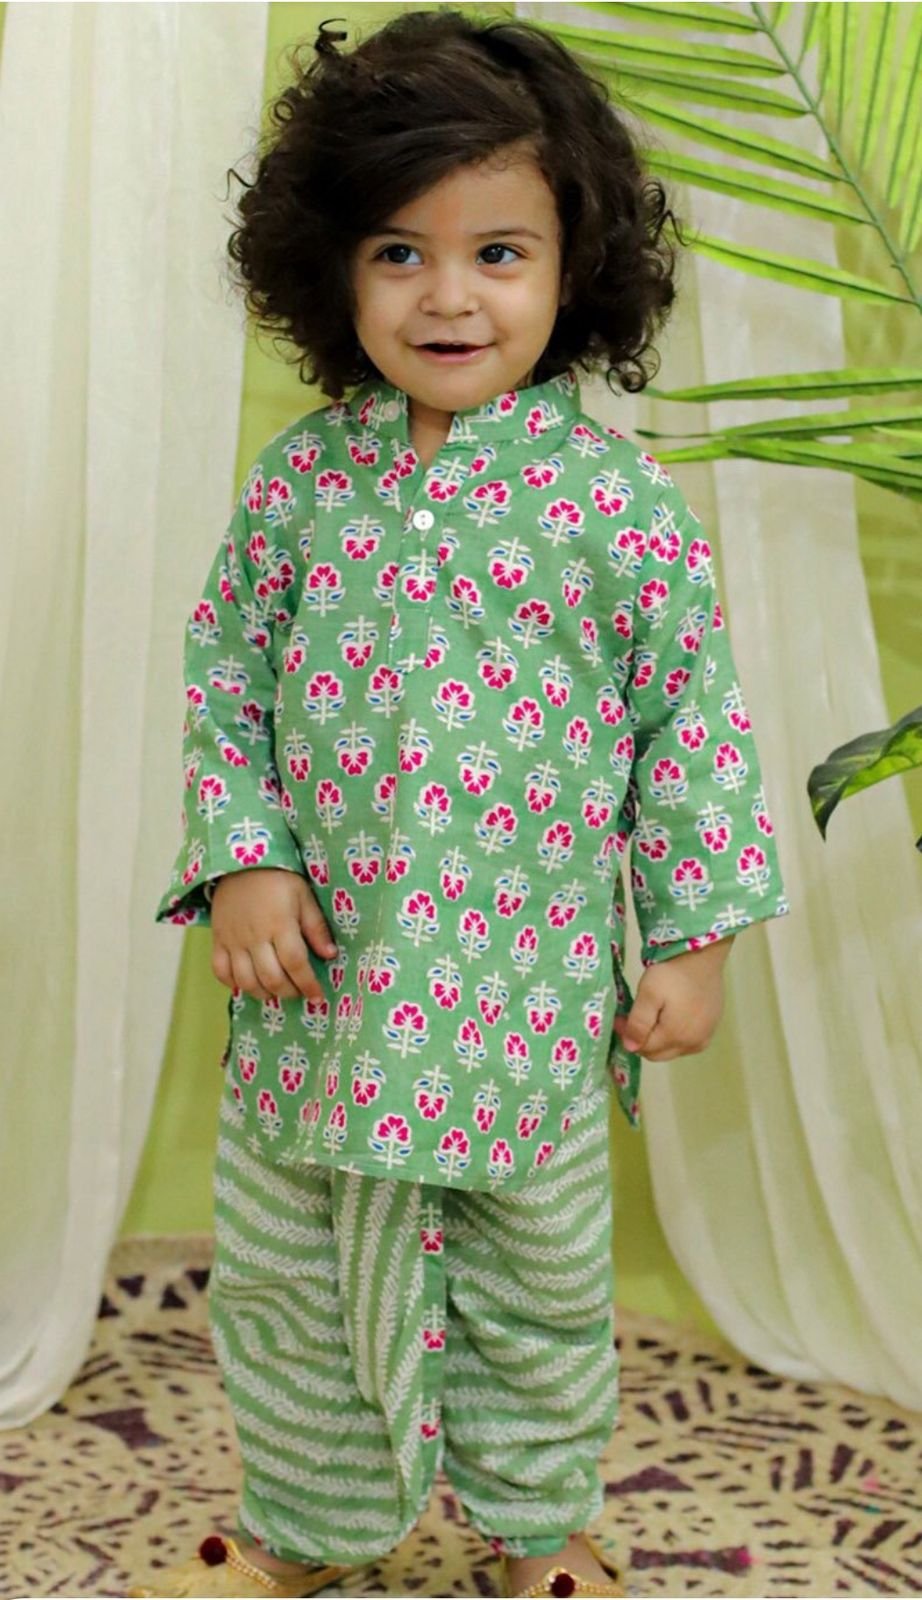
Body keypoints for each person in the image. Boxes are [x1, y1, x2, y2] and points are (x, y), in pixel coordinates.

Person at [139, 9, 789, 1598]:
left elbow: (689, 734)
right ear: (330, 272)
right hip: (316, 997)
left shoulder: (617, 507)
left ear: (577, 269)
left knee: (535, 1290)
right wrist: (244, 862)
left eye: (498, 253)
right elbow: (223, 680)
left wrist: (692, 940)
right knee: (289, 1286)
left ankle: (539, 1522)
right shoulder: (299, 488)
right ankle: (303, 1526)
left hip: (522, 1006)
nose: (448, 296)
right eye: (398, 253)